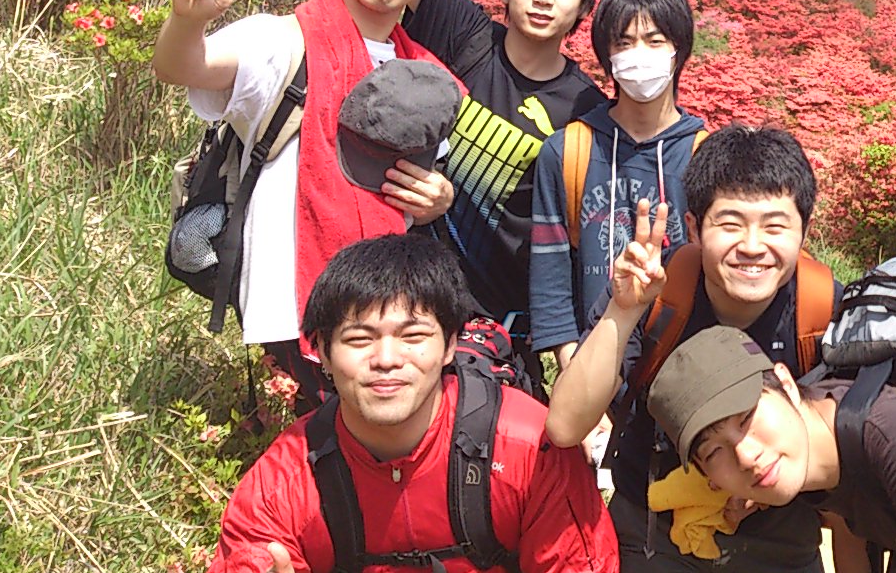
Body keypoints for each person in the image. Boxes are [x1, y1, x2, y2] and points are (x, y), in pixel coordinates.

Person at [154, 0, 458, 396]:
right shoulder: (282, 41)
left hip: (389, 305)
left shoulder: (426, 75)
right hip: (293, 296)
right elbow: (180, 67)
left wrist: (436, 200)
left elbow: (421, 188)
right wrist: (189, 19)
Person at [208, 234, 616, 572]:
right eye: (358, 339)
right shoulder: (286, 480)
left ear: (450, 346)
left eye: (413, 336)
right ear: (322, 354)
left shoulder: (526, 447)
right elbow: (250, 553)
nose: (387, 359)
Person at [378, 0, 609, 386]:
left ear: (583, 9)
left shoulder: (585, 108)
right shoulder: (468, 37)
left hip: (501, 319)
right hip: (411, 282)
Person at [545, 124, 839, 572]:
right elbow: (566, 427)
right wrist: (622, 314)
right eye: (730, 224)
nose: (753, 247)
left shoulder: (822, 307)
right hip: (650, 534)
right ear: (694, 228)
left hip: (780, 541)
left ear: (805, 230)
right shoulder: (657, 292)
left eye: (775, 226)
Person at [647, 326, 896, 573]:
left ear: (787, 384)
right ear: (710, 479)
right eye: (714, 453)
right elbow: (849, 526)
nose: (746, 456)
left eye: (747, 417)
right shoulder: (816, 439)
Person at [527, 0, 706, 368]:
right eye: (623, 43)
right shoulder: (567, 151)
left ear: (680, 50)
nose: (638, 54)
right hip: (591, 360)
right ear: (606, 56)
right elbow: (551, 270)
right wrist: (573, 369)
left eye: (654, 40)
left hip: (684, 365)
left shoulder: (704, 154)